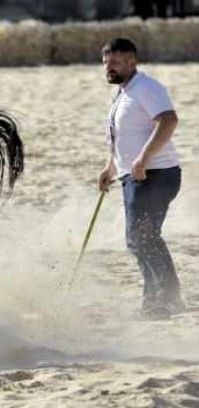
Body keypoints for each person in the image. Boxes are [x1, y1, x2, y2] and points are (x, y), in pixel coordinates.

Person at [98, 38, 183, 318]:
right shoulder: (123, 93)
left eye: (116, 62)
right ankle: (154, 302)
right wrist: (110, 167)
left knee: (142, 237)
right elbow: (121, 136)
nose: (109, 68)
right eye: (106, 62)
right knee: (139, 238)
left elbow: (169, 120)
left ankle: (170, 298)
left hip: (156, 174)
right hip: (133, 176)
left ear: (132, 62)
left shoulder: (146, 87)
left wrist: (143, 159)